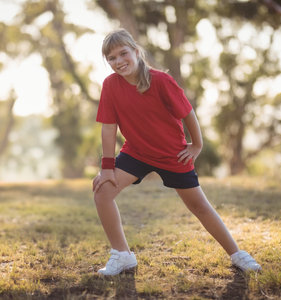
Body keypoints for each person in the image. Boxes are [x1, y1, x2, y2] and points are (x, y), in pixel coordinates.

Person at [92, 28, 261, 276]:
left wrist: (196, 145)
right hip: (136, 152)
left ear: (136, 52)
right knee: (102, 190)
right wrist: (107, 167)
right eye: (112, 58)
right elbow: (109, 128)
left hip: (173, 154)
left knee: (200, 206)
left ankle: (238, 255)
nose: (118, 62)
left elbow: (187, 112)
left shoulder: (161, 80)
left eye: (123, 53)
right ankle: (123, 255)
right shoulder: (110, 85)